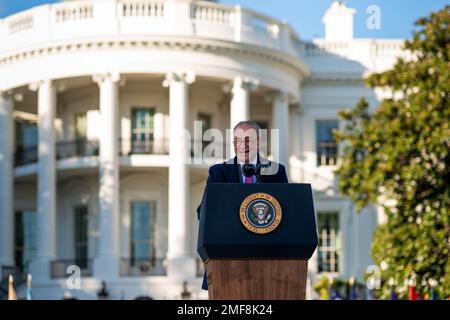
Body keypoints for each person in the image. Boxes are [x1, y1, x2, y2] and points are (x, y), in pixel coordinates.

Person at [196, 120, 289, 290]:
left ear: (259, 142)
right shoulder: (219, 172)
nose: (243, 145)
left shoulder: (276, 171)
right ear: (233, 144)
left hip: (268, 262)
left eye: (249, 140)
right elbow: (203, 212)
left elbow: (287, 213)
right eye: (238, 140)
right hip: (226, 261)